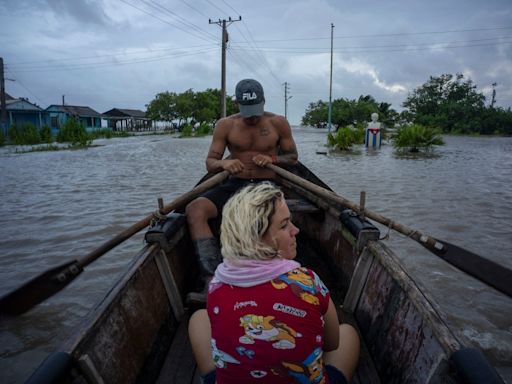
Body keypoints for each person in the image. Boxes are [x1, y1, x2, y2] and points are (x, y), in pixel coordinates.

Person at [188, 182, 360, 383]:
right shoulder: (308, 281)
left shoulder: (217, 284)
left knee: (199, 319)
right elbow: (331, 343)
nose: (295, 230)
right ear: (258, 238)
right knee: (347, 333)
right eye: (284, 225)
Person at [185, 79, 298, 303]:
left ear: (263, 102)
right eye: (247, 112)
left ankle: (279, 275)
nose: (252, 118)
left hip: (266, 186)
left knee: (266, 218)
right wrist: (224, 164)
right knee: (195, 209)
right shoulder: (225, 125)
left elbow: (293, 158)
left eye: (256, 111)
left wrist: (272, 158)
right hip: (234, 186)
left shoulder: (278, 123)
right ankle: (212, 278)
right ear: (237, 104)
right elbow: (210, 162)